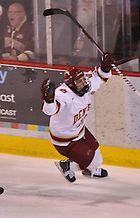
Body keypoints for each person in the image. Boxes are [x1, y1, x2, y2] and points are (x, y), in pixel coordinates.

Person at [41, 53, 116, 183]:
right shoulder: (62, 94)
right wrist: (48, 100)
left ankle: (87, 168)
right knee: (97, 161)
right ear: (71, 85)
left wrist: (105, 66)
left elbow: (99, 77)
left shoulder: (85, 85)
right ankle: (68, 166)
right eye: (79, 82)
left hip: (80, 129)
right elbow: (50, 111)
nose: (83, 83)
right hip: (65, 140)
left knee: (95, 151)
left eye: (82, 80)